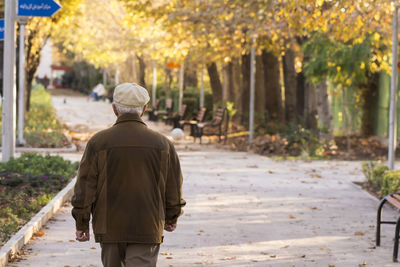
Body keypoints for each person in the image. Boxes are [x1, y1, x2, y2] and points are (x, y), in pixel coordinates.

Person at [71, 83, 186, 267]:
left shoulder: (98, 142)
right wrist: (172, 215)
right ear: (144, 110)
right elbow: (173, 185)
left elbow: (85, 187)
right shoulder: (163, 144)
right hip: (147, 225)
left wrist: (82, 222)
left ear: (114, 109)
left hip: (109, 227)